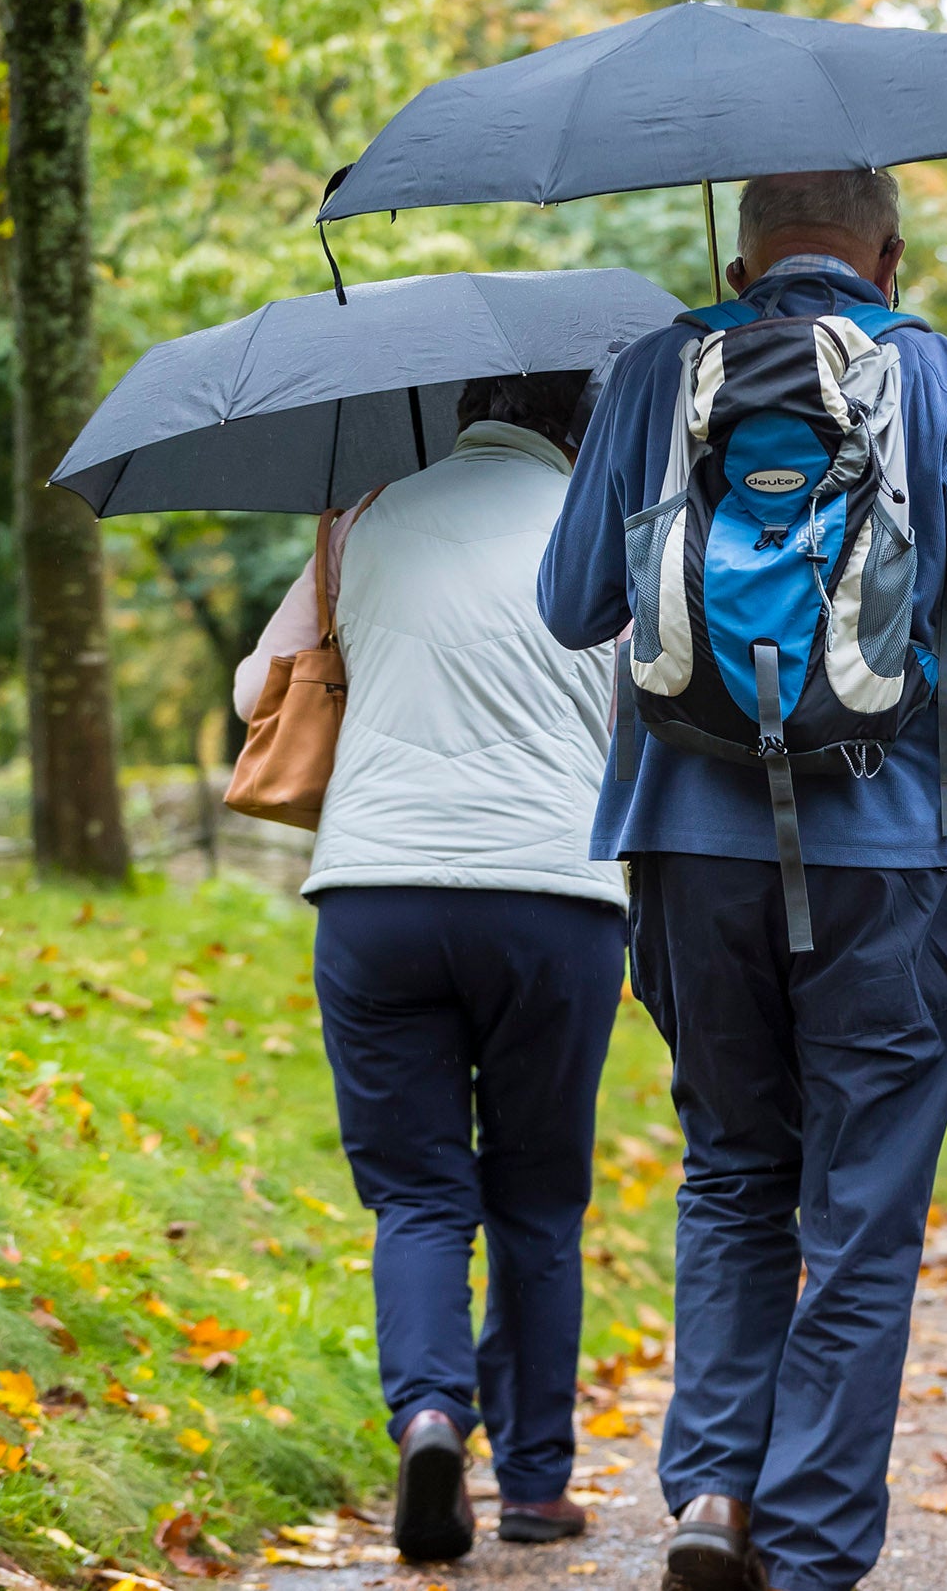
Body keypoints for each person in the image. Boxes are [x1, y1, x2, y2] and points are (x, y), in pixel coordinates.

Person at [537, 168, 947, 1591]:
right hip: (890, 849)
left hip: (687, 846)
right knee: (858, 1214)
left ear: (739, 247)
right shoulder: (941, 376)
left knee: (730, 1176)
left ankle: (713, 1494)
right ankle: (817, 1551)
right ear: (888, 257)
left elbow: (571, 602)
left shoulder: (660, 365)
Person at [235, 372, 625, 1561]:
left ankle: (428, 1416)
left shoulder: (365, 519)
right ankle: (537, 1487)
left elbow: (260, 692)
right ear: (583, 425)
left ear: (466, 408)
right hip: (555, 900)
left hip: (378, 893)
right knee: (537, 1202)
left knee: (415, 1194)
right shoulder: (611, 529)